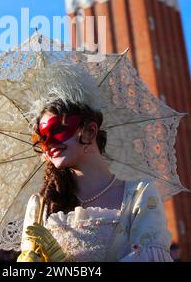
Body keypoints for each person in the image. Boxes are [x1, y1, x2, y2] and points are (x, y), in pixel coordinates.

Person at [17, 99, 173, 262]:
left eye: (57, 130)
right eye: (43, 138)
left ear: (90, 131)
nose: (49, 143)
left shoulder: (139, 196)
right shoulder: (41, 206)